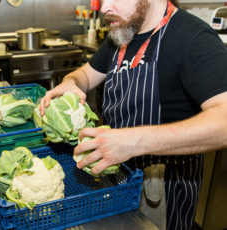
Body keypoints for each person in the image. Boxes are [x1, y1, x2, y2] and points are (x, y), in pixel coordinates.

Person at [40, 0, 227, 229]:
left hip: (161, 194)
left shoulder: (193, 38)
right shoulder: (123, 33)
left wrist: (133, 141)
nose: (103, 8)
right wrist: (72, 82)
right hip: (116, 181)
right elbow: (86, 76)